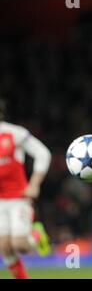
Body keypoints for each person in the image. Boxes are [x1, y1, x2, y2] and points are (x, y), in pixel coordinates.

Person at [0, 99, 52, 279]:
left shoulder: (14, 133)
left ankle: (36, 234)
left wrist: (34, 184)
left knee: (20, 245)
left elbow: (42, 153)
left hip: (18, 197)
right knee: (4, 247)